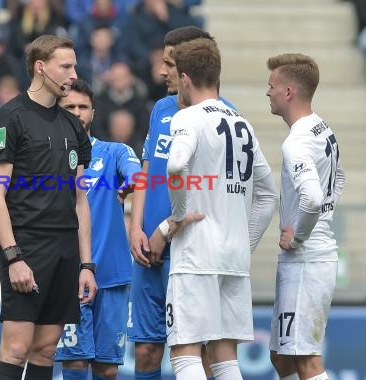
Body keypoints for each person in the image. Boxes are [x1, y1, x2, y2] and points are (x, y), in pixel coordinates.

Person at [0, 35, 98, 380]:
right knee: (16, 349)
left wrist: (86, 263)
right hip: (27, 246)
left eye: (74, 65)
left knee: (47, 350)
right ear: (40, 67)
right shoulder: (8, 118)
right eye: (65, 66)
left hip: (65, 249)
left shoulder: (72, 125)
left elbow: (80, 200)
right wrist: (13, 256)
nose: (72, 74)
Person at [164, 37, 277, 380]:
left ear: (185, 78)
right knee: (224, 356)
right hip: (234, 257)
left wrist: (178, 215)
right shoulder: (242, 123)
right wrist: (247, 241)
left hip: (197, 254)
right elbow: (269, 194)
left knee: (185, 353)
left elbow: (175, 165)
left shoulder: (187, 118)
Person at [128, 26, 231, 379]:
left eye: (169, 63)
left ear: (187, 66)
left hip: (191, 248)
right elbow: (146, 171)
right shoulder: (160, 108)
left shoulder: (223, 116)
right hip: (149, 250)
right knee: (145, 349)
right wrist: (135, 227)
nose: (161, 71)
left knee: (197, 351)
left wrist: (166, 230)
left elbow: (211, 195)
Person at [54, 79, 141, 379]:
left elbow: (136, 175)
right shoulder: (48, 158)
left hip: (111, 275)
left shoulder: (115, 152)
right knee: (75, 365)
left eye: (83, 107)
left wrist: (129, 183)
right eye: (70, 106)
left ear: (93, 112)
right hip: (66, 275)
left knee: (106, 369)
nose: (77, 112)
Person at [266, 53, 345, 380]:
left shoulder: (297, 141)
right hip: (313, 257)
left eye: (271, 86)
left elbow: (312, 197)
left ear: (288, 93)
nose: (267, 92)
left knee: (305, 360)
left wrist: (298, 234)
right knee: (280, 356)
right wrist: (325, 211)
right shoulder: (321, 128)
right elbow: (338, 178)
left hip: (307, 260)